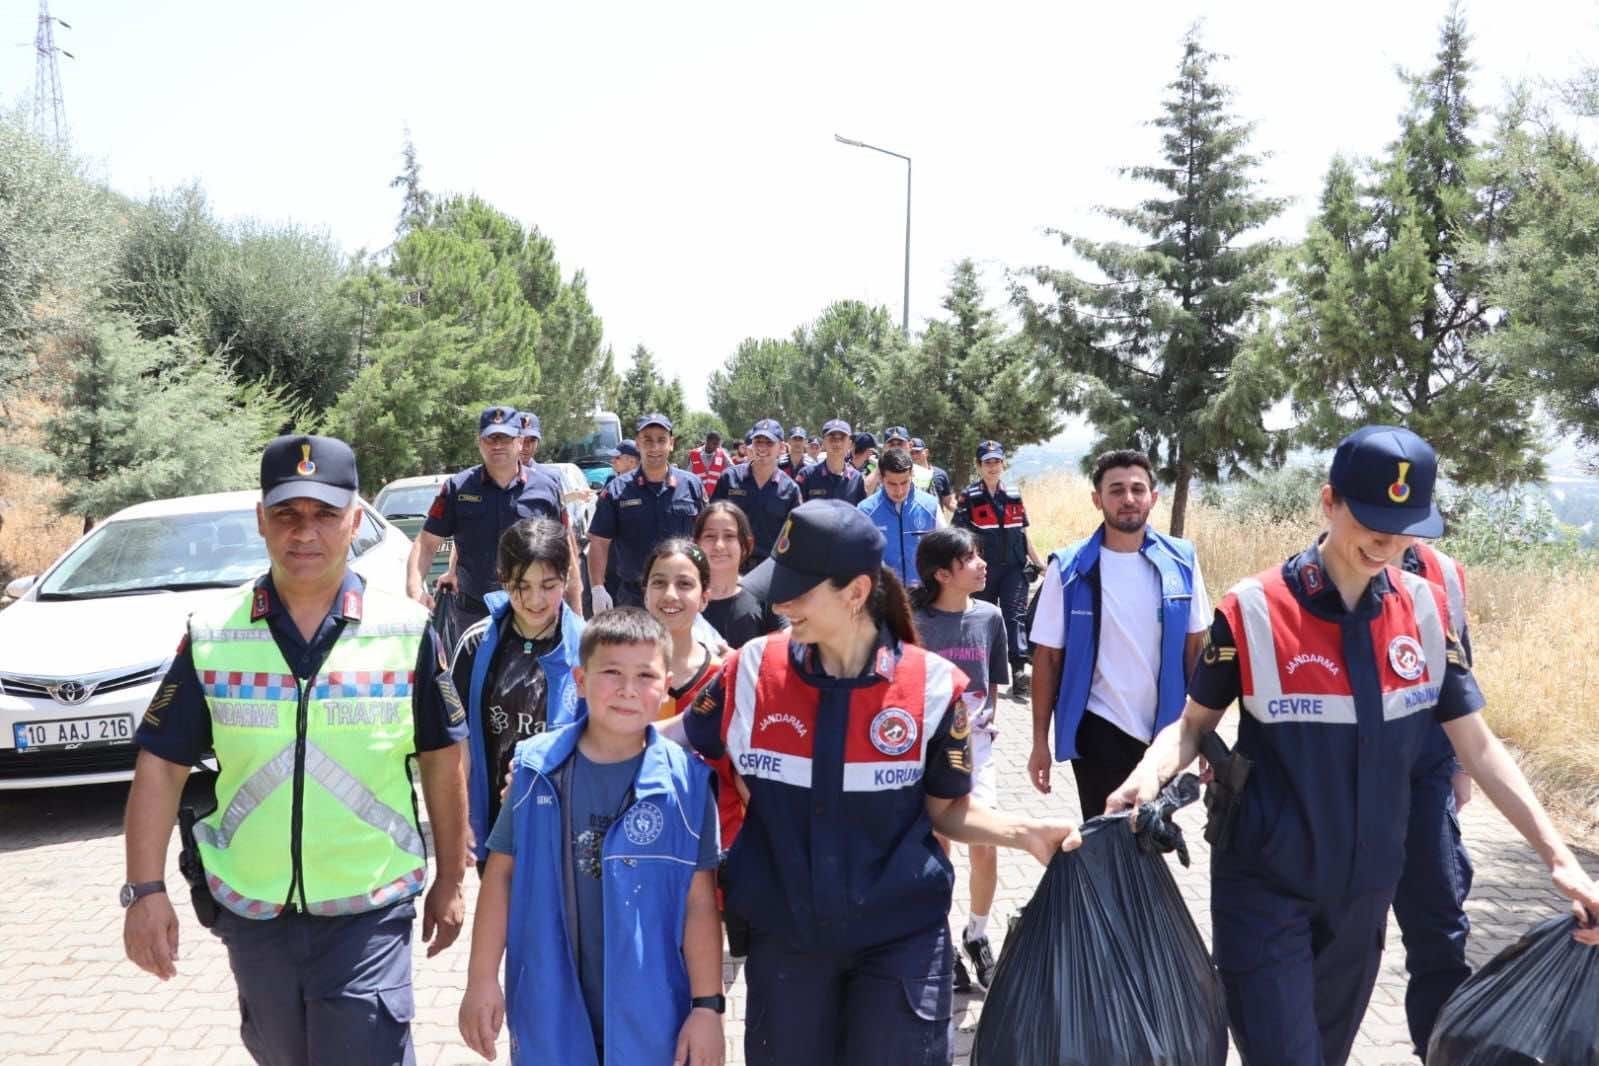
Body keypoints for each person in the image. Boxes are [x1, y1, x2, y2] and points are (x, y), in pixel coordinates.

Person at [1106, 425, 1599, 1066]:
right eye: (1371, 522)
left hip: (1362, 897)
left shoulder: (1424, 613)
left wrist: (1560, 859)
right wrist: (1148, 774)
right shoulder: (1254, 608)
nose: (1386, 544)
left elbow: (1478, 746)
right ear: (1329, 501)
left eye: (1403, 528)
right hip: (1265, 886)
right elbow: (1193, 723)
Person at [682, 499, 1083, 1066]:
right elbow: (672, 739)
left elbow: (946, 810)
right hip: (787, 941)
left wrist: (1024, 832)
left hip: (901, 941)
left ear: (855, 592)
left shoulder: (933, 688)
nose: (780, 602)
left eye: (799, 589)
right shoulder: (749, 670)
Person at [123, 434, 470, 1066]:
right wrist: (143, 891)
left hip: (370, 909)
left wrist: (451, 877)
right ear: (261, 520)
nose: (304, 532)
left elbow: (444, 762)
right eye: (286, 513)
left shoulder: (406, 632)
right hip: (253, 916)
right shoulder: (212, 636)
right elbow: (161, 768)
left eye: (324, 514)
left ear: (356, 522)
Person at [458, 609, 724, 1066]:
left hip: (653, 1010)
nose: (627, 689)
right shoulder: (535, 769)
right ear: (579, 679)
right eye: (611, 673)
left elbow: (700, 902)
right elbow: (501, 875)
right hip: (549, 1000)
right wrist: (481, 978)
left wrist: (707, 1008)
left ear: (665, 686)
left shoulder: (688, 784)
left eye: (645, 675)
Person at [1025, 449, 1210, 819]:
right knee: (1106, 838)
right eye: (1116, 490)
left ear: (1153, 498)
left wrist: (1203, 738)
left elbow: (1196, 653)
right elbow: (1048, 659)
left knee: (1149, 835)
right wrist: (1038, 744)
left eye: (1137, 489)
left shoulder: (1182, 562)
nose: (1128, 499)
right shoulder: (1069, 568)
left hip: (1165, 734)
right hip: (1097, 727)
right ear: (1097, 499)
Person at [452, 519, 586, 874]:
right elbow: (456, 741)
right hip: (497, 827)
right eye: (520, 586)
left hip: (568, 826)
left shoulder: (589, 648)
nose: (534, 599)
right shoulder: (476, 644)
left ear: (567, 578)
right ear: (502, 577)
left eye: (548, 585)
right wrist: (460, 817)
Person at [911, 527, 1010, 994]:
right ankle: (943, 943)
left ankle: (977, 934)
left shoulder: (990, 617)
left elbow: (993, 680)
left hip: (979, 750)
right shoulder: (913, 622)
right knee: (939, 851)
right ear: (942, 574)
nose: (982, 564)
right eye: (970, 558)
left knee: (984, 845)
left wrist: (987, 718)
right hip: (929, 754)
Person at [1389, 538, 1475, 1056]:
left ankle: (1437, 1051)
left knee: (1439, 924)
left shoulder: (1443, 570)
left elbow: (1462, 656)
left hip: (1428, 768)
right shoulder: (1320, 572)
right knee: (1338, 932)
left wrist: (1461, 765)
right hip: (1352, 778)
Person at [409, 405, 576, 637]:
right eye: (490, 438)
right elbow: (426, 544)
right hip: (475, 613)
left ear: (519, 441)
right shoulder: (457, 488)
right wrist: (415, 590)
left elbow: (565, 551)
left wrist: (576, 613)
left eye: (505, 438)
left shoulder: (546, 489)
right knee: (475, 673)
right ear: (480, 443)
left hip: (535, 611)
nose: (497, 445)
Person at [587, 413, 705, 611]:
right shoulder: (617, 490)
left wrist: (705, 581)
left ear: (671, 443)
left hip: (681, 594)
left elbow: (703, 538)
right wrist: (597, 588)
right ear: (638, 444)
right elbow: (599, 542)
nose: (655, 447)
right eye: (647, 440)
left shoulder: (691, 485)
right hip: (634, 598)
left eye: (661, 440)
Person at [953, 440, 1044, 699]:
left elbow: (1024, 532)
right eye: (987, 462)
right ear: (979, 466)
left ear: (1003, 463)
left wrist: (1038, 564)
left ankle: (1018, 671)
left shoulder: (1014, 493)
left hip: (1014, 569)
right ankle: (983, 668)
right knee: (985, 618)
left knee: (1014, 616)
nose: (993, 467)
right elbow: (959, 535)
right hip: (983, 570)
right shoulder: (969, 496)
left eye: (996, 461)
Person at [643, 538, 723, 719]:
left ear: (704, 598)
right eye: (659, 583)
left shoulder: (721, 677)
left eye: (684, 584)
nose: (670, 594)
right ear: (645, 594)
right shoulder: (621, 670)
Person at [711, 418, 802, 569]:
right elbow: (712, 522)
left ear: (781, 448)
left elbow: (794, 537)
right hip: (729, 564)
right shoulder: (729, 478)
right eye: (758, 441)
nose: (762, 447)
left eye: (769, 442)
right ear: (751, 445)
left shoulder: (790, 489)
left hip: (769, 570)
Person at [695, 501, 783, 649]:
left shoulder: (764, 595)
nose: (719, 545)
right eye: (710, 536)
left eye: (729, 536)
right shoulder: (684, 596)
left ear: (746, 545)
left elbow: (781, 649)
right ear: (696, 543)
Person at [858, 447, 941, 589]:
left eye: (904, 483)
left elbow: (945, 550)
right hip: (884, 596)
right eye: (892, 484)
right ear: (881, 478)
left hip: (924, 593)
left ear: (912, 475)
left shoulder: (930, 505)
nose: (899, 491)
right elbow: (858, 557)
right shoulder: (866, 510)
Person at [794, 419, 866, 506]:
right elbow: (795, 512)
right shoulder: (807, 475)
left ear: (850, 444)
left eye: (842, 438)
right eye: (832, 438)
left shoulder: (856, 479)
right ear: (823, 442)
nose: (837, 443)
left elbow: (859, 514)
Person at [909, 439, 955, 515]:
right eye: (911, 453)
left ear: (926, 452)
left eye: (917, 452)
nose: (914, 455)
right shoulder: (905, 476)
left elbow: (949, 502)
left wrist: (966, 513)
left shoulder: (940, 474)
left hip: (936, 522)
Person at [690, 430, 732, 496]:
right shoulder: (694, 454)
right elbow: (688, 473)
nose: (717, 447)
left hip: (716, 494)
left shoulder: (722, 454)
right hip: (698, 493)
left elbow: (732, 469)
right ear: (707, 442)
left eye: (718, 444)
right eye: (714, 444)